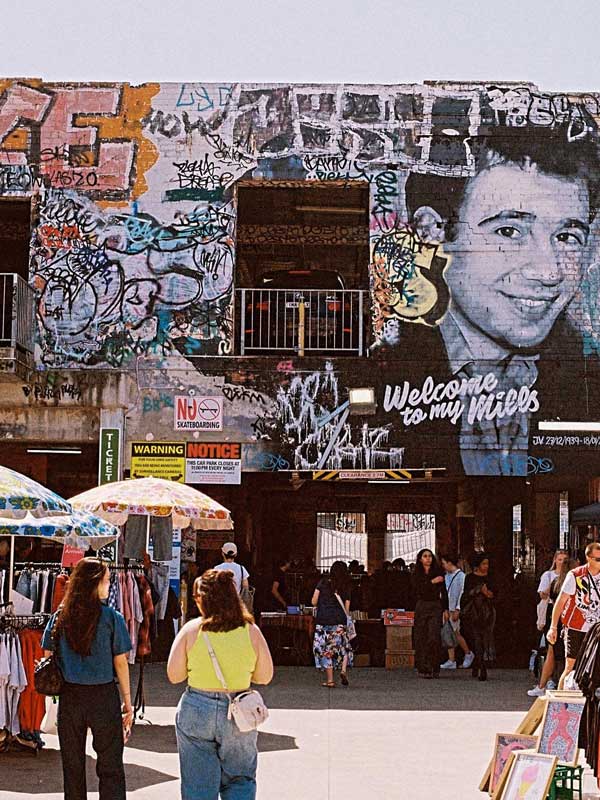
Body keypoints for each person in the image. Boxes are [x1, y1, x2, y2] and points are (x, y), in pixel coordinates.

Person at [376, 113, 600, 476]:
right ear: (432, 231)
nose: (548, 271)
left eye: (566, 237)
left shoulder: (587, 380)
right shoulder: (373, 373)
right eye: (509, 232)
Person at [167, 568, 273, 800]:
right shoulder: (251, 630)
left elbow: (174, 675)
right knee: (240, 779)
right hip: (238, 710)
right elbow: (265, 676)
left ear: (204, 600)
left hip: (196, 708)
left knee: (197, 785)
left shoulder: (192, 630)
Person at [41, 558, 132, 800]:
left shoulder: (60, 616)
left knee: (72, 766)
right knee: (111, 765)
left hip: (70, 696)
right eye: (106, 580)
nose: (109, 585)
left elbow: (47, 655)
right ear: (94, 584)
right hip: (103, 695)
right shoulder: (112, 618)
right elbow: (121, 662)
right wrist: (128, 702)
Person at [548, 542, 600, 688]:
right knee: (570, 668)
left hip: (597, 628)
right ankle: (562, 707)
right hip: (577, 627)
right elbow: (561, 601)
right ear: (588, 558)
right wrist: (553, 627)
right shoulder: (576, 575)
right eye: (598, 559)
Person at [528, 556, 573, 697]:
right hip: (569, 621)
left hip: (556, 620)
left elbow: (548, 597)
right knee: (568, 657)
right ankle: (559, 685)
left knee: (552, 654)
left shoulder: (556, 582)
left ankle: (544, 685)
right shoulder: (571, 582)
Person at [312, 560, 353, 688]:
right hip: (339, 621)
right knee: (344, 646)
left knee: (326, 650)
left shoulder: (323, 582)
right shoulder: (346, 585)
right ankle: (343, 670)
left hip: (323, 621)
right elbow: (346, 608)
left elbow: (314, 601)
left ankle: (330, 680)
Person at [412, 548, 448, 679]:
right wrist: (432, 582)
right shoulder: (417, 574)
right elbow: (418, 589)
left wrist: (446, 609)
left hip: (435, 605)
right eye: (425, 556)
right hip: (422, 605)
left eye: (430, 556)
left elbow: (443, 592)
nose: (428, 559)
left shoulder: (438, 572)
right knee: (421, 636)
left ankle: (434, 665)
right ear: (420, 559)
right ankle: (423, 666)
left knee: (434, 636)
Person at [461, 553, 496, 682]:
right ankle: (479, 663)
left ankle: (482, 666)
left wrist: (488, 594)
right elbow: (466, 594)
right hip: (473, 613)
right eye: (483, 564)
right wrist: (478, 590)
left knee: (485, 639)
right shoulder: (470, 578)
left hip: (487, 613)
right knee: (476, 639)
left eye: (487, 564)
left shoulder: (491, 578)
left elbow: (495, 594)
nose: (486, 566)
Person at [439, 553, 474, 670]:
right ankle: (451, 659)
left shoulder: (461, 576)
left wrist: (458, 609)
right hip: (447, 608)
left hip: (454, 608)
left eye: (444, 563)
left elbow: (462, 594)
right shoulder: (446, 576)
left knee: (456, 632)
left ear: (449, 563)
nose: (443, 566)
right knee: (449, 632)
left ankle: (468, 653)